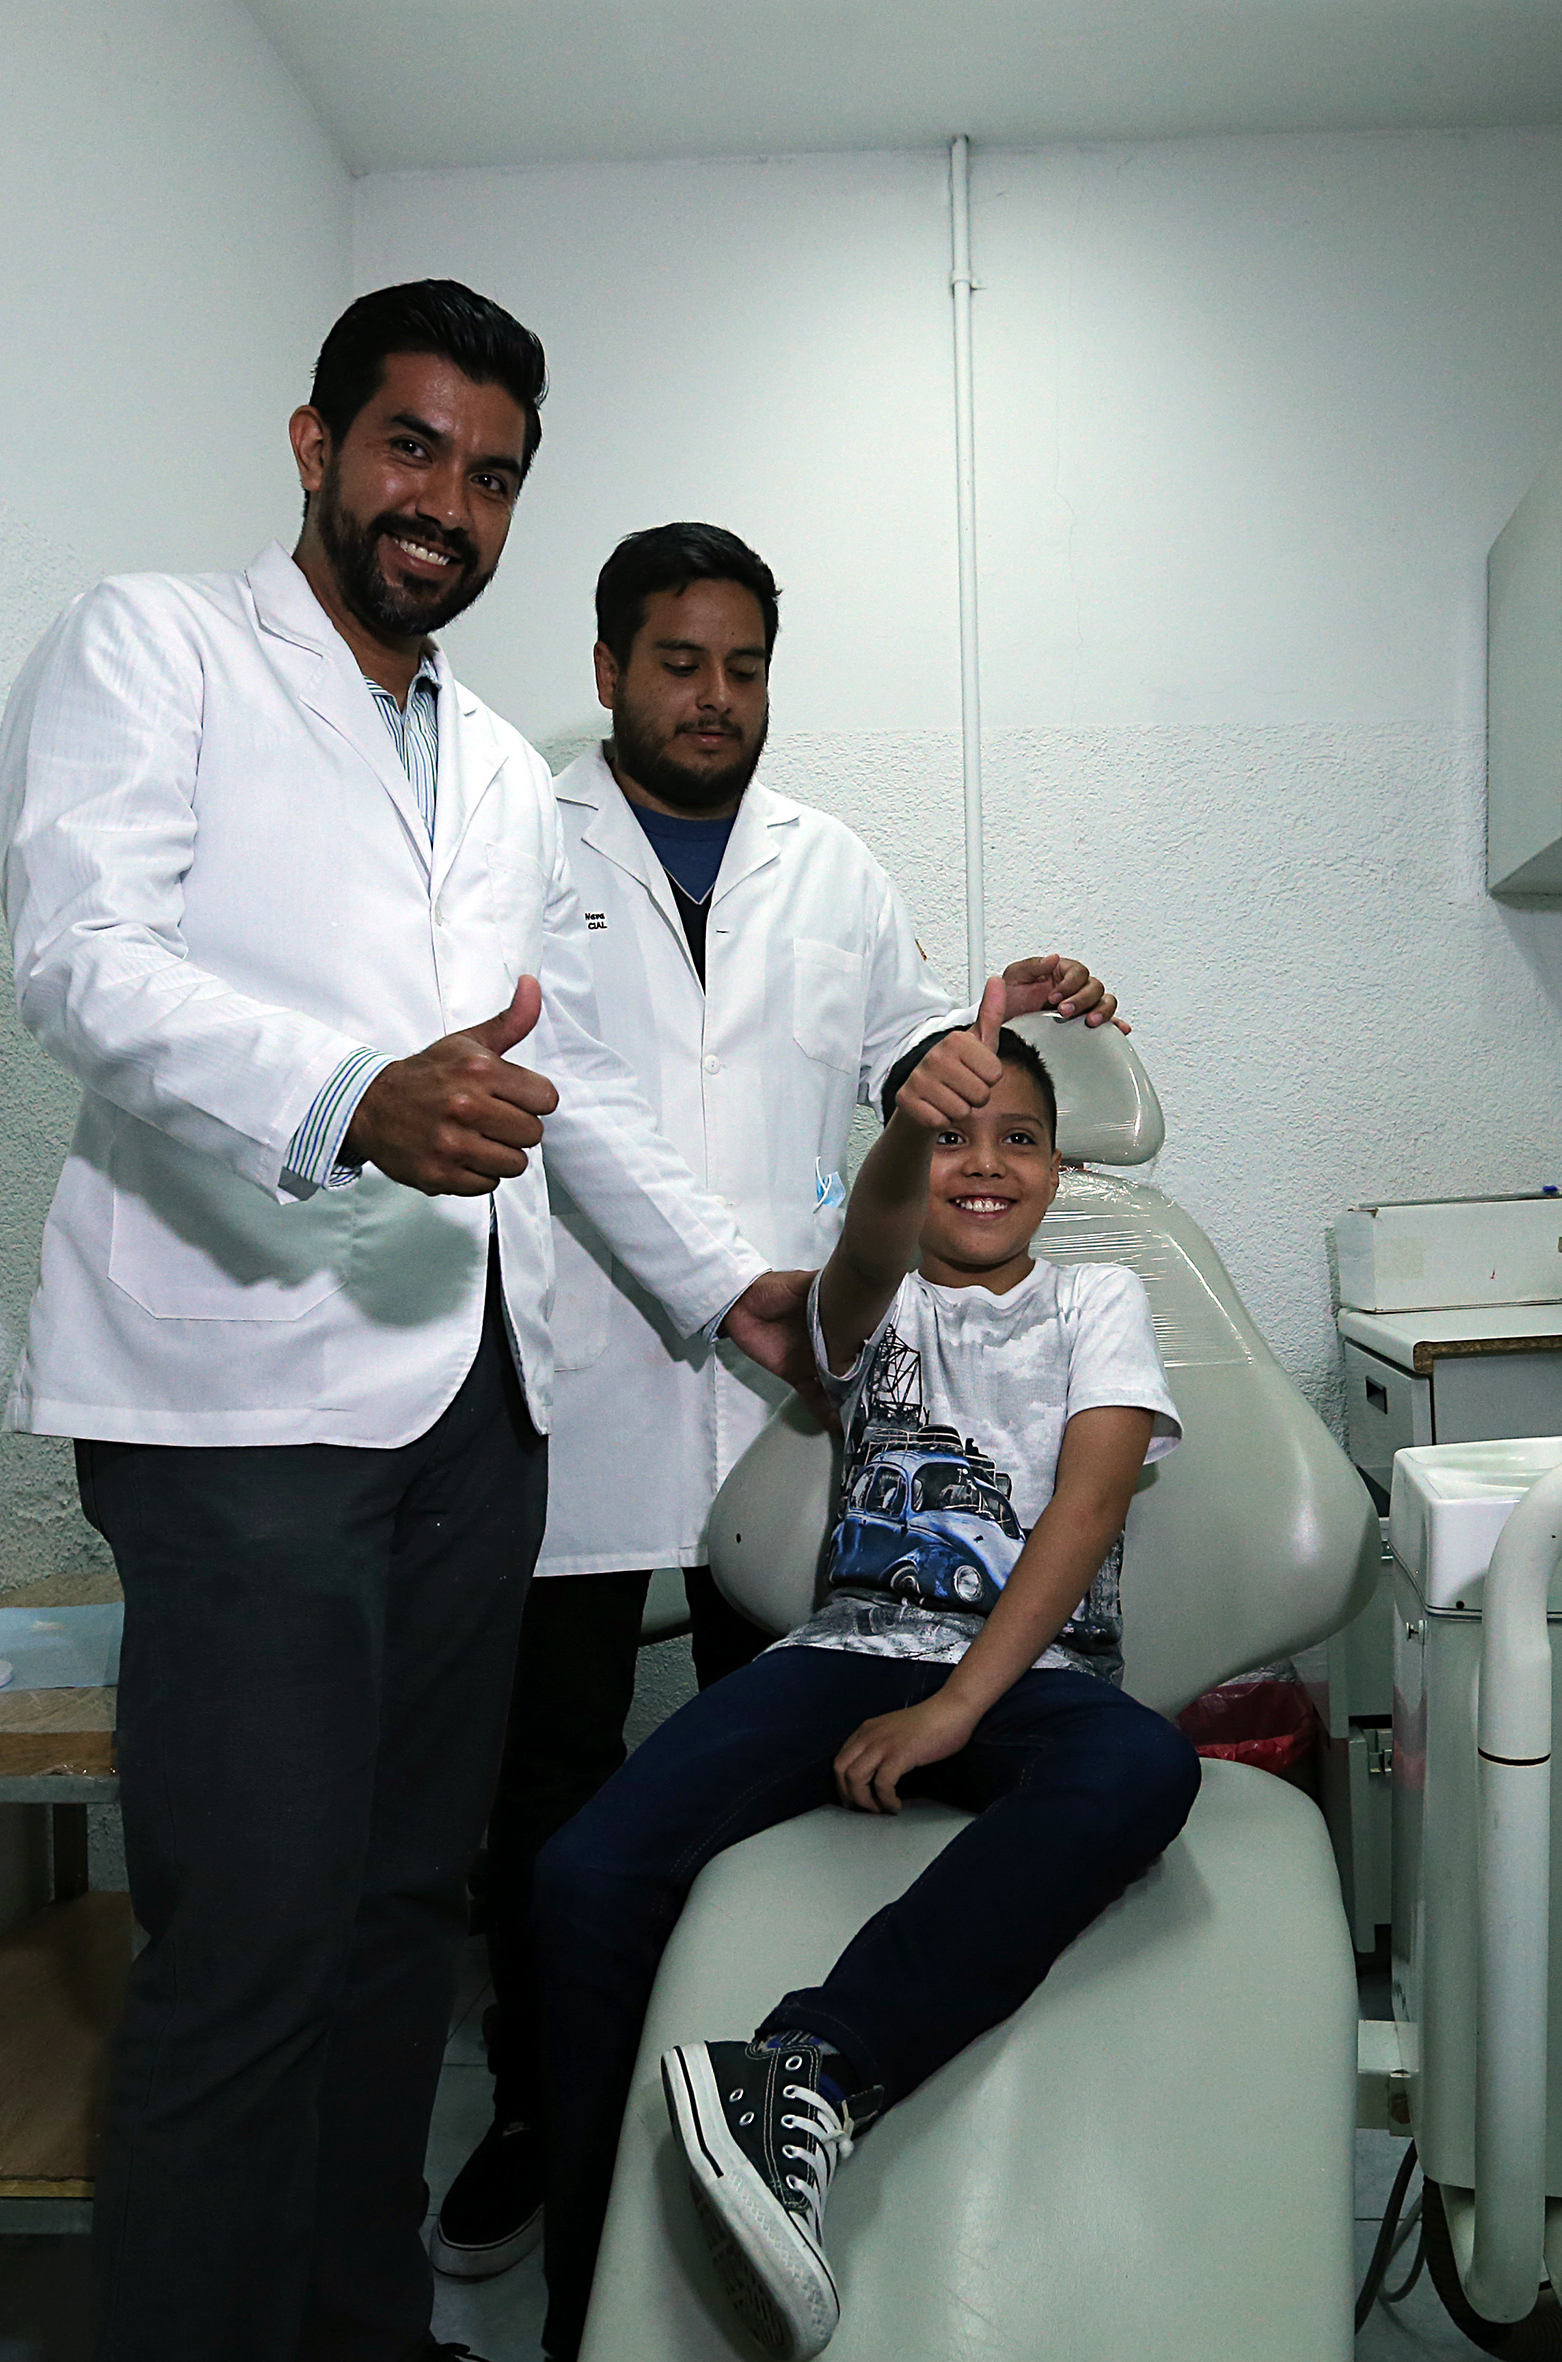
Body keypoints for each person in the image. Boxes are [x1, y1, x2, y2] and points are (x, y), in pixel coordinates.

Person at [0, 281, 813, 2362]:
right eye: (409, 446)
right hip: (239, 1399)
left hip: (472, 1407)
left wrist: (732, 1284)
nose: (443, 500)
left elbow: (577, 1088)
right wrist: (345, 1092)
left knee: (391, 1926)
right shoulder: (155, 643)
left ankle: (359, 2327)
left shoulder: (494, 771)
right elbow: (77, 957)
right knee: (249, 1938)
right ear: (316, 443)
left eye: (490, 471)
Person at [434, 522, 1119, 2284]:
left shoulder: (835, 862)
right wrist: (712, 1277)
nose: (716, 698)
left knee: (793, 1761)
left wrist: (989, 1027)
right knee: (553, 1776)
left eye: (744, 668)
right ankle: (541, 2096)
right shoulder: (522, 840)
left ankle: (761, 2085)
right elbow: (544, 1073)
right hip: (589, 1360)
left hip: (797, 1392)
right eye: (679, 662)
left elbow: (902, 1057)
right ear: (608, 670)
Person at [528, 985, 1200, 2360]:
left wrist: (959, 1704)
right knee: (577, 1876)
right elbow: (872, 1230)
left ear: (1061, 1171)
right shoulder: (870, 1304)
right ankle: (594, 2299)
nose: (986, 1162)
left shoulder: (1098, 1297)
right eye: (956, 1137)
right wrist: (910, 1118)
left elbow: (1087, 1505)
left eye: (1020, 1137)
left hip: (1035, 1672)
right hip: (843, 1655)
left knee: (1144, 1762)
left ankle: (809, 2072)